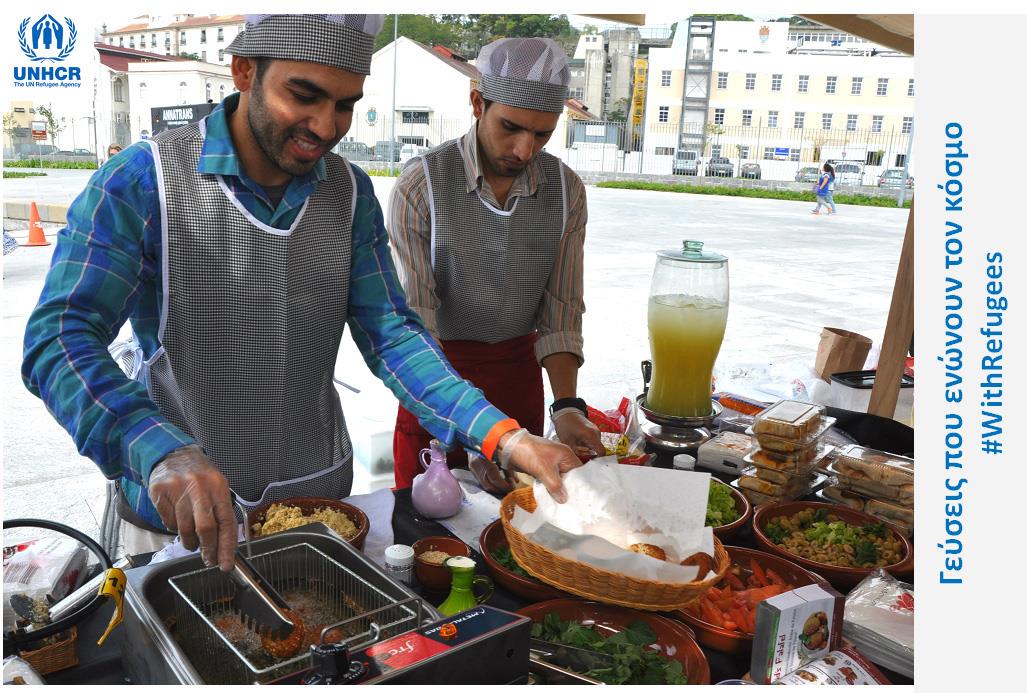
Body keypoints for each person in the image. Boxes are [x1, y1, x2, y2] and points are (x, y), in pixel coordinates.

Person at [22, 14, 581, 573]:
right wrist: (157, 447)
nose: (325, 125)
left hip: (317, 501)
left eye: (345, 104)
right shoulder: (144, 182)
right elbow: (59, 341)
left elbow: (393, 335)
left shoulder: (348, 193)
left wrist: (504, 438)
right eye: (305, 95)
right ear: (245, 71)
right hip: (180, 511)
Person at [387, 37, 603, 493]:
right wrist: (476, 438)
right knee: (428, 536)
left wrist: (567, 406)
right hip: (435, 380)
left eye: (542, 134)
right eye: (511, 127)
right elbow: (413, 324)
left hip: (517, 377)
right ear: (476, 102)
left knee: (516, 531)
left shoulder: (566, 192)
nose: (524, 151)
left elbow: (562, 310)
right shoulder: (421, 186)